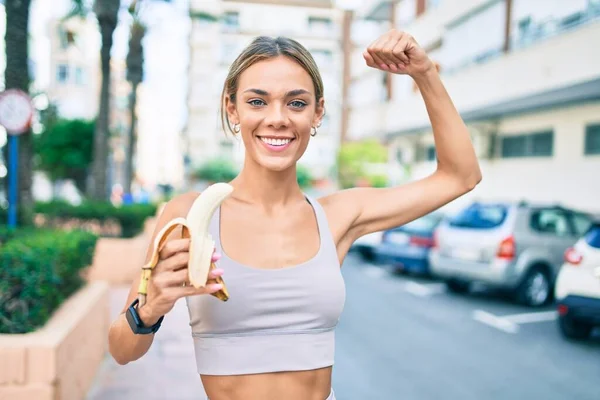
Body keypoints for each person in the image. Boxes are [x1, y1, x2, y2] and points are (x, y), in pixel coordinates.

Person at [107, 29, 482, 400]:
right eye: (257, 102)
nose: (278, 118)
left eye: (296, 103)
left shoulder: (339, 215)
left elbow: (460, 176)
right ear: (231, 107)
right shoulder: (190, 216)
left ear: (317, 113)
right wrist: (151, 307)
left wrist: (425, 73)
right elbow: (123, 351)